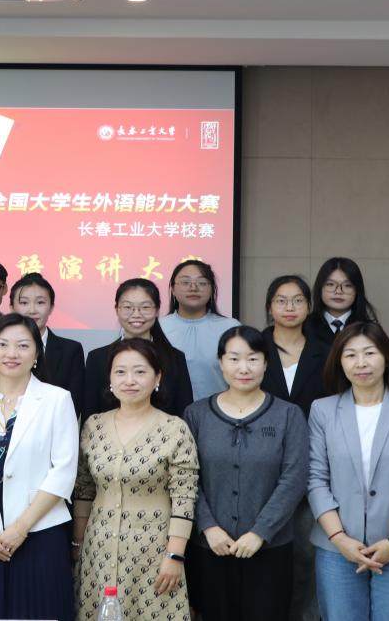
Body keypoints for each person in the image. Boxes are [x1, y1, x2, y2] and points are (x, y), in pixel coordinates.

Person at [0, 313, 79, 621]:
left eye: (23, 345)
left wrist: (20, 529)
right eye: (2, 344)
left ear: (36, 354)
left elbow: (63, 470)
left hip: (39, 532)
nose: (12, 353)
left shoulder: (57, 400)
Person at [308, 321, 389, 621]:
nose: (361, 363)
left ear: (386, 357)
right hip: (337, 549)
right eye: (350, 355)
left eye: (370, 353)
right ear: (339, 362)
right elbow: (315, 479)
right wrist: (339, 538)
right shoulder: (322, 411)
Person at [182, 326, 308, 621]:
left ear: (266, 363)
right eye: (234, 358)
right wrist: (208, 527)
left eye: (253, 359)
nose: (244, 368)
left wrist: (260, 532)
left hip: (271, 547)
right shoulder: (196, 414)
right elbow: (187, 479)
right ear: (221, 362)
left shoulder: (289, 415)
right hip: (211, 547)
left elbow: (294, 479)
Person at [72, 338, 199, 621]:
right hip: (99, 549)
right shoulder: (94, 426)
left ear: (157, 378)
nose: (129, 380)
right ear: (110, 379)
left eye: (140, 372)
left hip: (154, 551)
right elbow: (84, 488)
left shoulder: (174, 429)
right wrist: (78, 545)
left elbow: (184, 495)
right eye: (120, 372)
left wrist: (175, 555)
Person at [258, 274, 329, 621]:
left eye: (298, 300)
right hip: (259, 464)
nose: (290, 307)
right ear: (269, 307)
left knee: (306, 552)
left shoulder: (326, 352)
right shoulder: (252, 347)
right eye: (281, 300)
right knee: (263, 551)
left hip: (312, 464)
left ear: (309, 306)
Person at [82, 278, 193, 421]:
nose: (136, 314)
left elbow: (184, 413)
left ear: (157, 310)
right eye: (128, 307)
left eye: (145, 307)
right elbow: (89, 416)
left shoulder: (175, 358)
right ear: (117, 310)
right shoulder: (97, 358)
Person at [161, 259, 240, 401]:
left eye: (202, 283)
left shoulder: (230, 328)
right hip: (167, 411)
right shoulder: (158, 327)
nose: (193, 288)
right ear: (172, 289)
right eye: (185, 282)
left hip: (218, 410)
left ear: (212, 289)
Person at [10, 272, 85, 416]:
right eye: (24, 303)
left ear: (51, 307)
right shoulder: (0, 348)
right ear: (12, 307)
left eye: (40, 302)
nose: (32, 310)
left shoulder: (71, 350)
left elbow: (73, 404)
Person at [304, 257, 378, 347]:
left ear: (357, 290)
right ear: (320, 288)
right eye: (330, 284)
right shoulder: (304, 327)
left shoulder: (370, 330)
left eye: (347, 285)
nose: (338, 291)